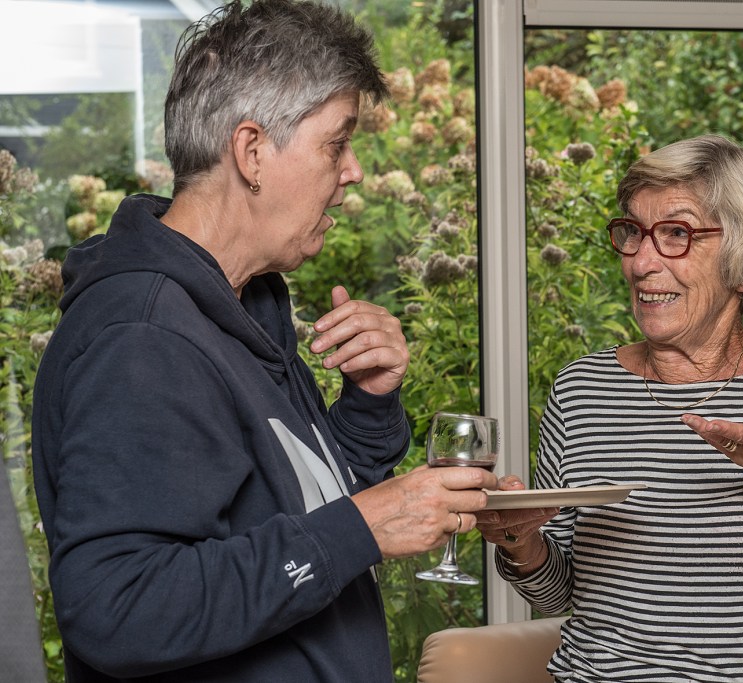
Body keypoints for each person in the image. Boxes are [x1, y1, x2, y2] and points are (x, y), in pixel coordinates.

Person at [30, 1, 495, 680]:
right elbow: (118, 608)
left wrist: (367, 404)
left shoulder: (243, 306)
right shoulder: (144, 337)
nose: (354, 170)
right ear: (252, 152)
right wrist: (362, 527)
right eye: (336, 143)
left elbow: (303, 511)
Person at [476, 133, 743, 682]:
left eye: (676, 234)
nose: (641, 263)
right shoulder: (581, 389)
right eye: (633, 233)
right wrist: (519, 541)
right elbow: (560, 594)